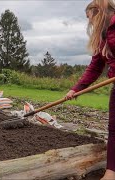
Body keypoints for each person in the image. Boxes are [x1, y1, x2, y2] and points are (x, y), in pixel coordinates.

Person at [66, 0, 115, 179]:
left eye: (89, 18)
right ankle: (111, 174)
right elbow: (95, 67)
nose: (90, 23)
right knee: (114, 129)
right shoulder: (101, 36)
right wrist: (76, 89)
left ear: (97, 11)